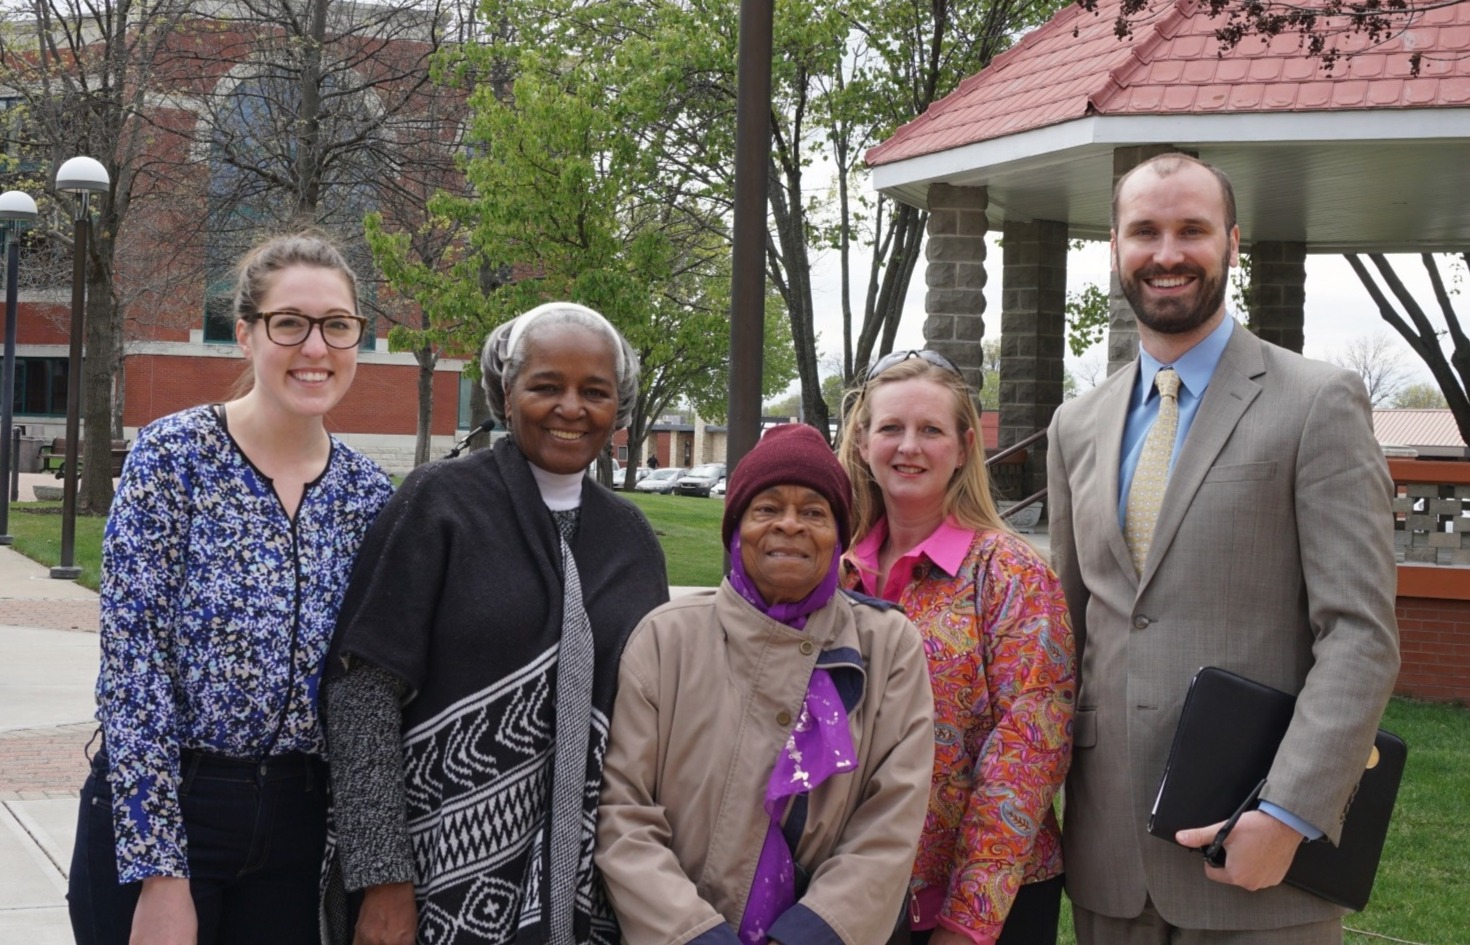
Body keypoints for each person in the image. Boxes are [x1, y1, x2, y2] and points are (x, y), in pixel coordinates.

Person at [1046, 153, 1400, 943]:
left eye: (1191, 230)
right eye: (1145, 230)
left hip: (1259, 863)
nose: (1166, 253)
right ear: (1114, 246)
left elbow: (1360, 634)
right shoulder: (1076, 426)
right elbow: (1068, 637)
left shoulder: (1318, 403)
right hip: (1110, 865)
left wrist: (1289, 810)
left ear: (1232, 243)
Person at [67, 232, 395, 945]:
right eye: (290, 323)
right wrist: (160, 874)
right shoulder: (174, 456)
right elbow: (133, 668)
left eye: (337, 325)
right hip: (172, 806)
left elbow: (367, 687)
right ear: (244, 334)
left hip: (296, 825)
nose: (316, 347)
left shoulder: (368, 495)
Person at [323, 302, 670, 945]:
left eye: (594, 392)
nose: (571, 408)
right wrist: (383, 879)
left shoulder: (631, 541)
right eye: (546, 386)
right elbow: (361, 692)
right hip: (432, 879)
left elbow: (654, 714)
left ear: (617, 409)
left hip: (592, 891)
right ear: (506, 396)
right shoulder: (439, 504)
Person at [597, 423, 935, 945]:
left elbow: (891, 816)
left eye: (814, 512)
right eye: (767, 508)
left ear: (839, 535)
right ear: (736, 528)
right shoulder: (667, 639)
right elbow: (623, 810)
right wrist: (692, 933)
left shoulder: (888, 646)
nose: (791, 525)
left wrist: (808, 934)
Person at [837, 353, 1076, 945]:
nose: (908, 447)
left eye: (931, 430)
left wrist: (967, 923)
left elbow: (1028, 753)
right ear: (863, 441)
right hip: (851, 894)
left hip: (985, 909)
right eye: (891, 428)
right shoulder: (833, 572)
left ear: (965, 446)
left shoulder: (1009, 573)